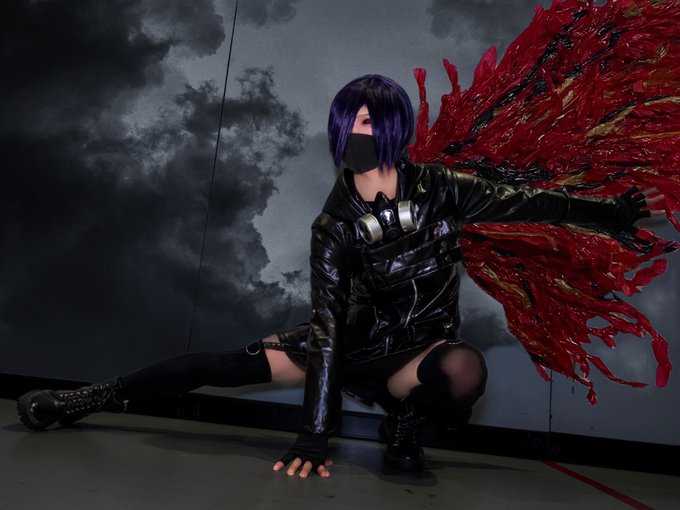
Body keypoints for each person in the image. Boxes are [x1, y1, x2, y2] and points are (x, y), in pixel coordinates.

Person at [16, 74, 664, 479]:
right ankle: (90, 398)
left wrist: (609, 215)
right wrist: (315, 434)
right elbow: (327, 325)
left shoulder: (443, 188)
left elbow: (530, 204)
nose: (356, 133)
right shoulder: (333, 225)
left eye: (368, 122)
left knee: (464, 374)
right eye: (348, 123)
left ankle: (404, 425)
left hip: (419, 350)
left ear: (392, 128)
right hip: (350, 343)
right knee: (221, 364)